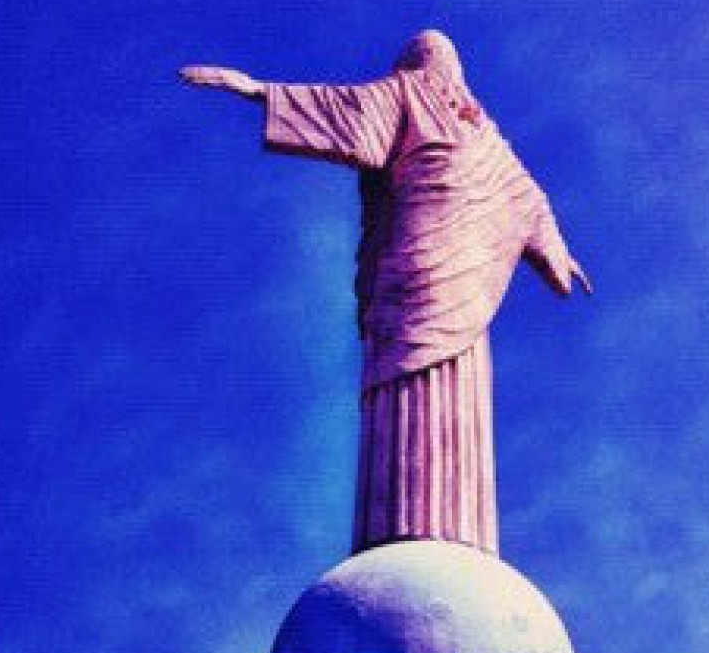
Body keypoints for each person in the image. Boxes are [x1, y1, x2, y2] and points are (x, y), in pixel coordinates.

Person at [181, 30, 589, 553]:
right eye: (431, 60)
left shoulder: (484, 135)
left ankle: (455, 538)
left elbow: (526, 196)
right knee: (404, 358)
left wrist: (556, 248)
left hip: (468, 273)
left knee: (459, 368)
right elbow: (342, 111)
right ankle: (398, 535)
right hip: (414, 253)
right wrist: (257, 90)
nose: (440, 72)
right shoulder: (404, 93)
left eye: (443, 61)